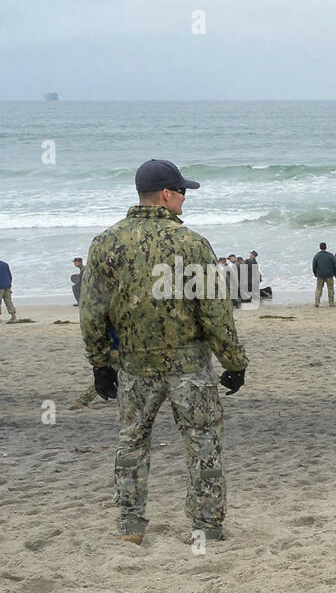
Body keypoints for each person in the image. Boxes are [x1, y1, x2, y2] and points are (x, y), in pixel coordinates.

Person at [79, 158, 248, 545]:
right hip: (189, 366)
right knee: (202, 444)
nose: (185, 201)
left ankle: (130, 527)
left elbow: (92, 311)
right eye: (182, 193)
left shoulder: (106, 243)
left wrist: (100, 364)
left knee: (132, 443)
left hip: (135, 366)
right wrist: (234, 362)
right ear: (167, 195)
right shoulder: (192, 243)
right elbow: (215, 312)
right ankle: (206, 526)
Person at [312, 241, 336, 307]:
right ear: (326, 247)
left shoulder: (317, 256)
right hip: (329, 275)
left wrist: (315, 273)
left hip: (320, 275)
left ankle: (317, 303)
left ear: (320, 247)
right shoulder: (330, 255)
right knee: (330, 289)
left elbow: (314, 266)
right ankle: (331, 303)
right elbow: (335, 265)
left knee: (318, 289)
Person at [0, 258, 14, 322]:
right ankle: (13, 317)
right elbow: (10, 276)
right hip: (7, 285)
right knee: (8, 301)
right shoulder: (5, 264)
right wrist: (9, 284)